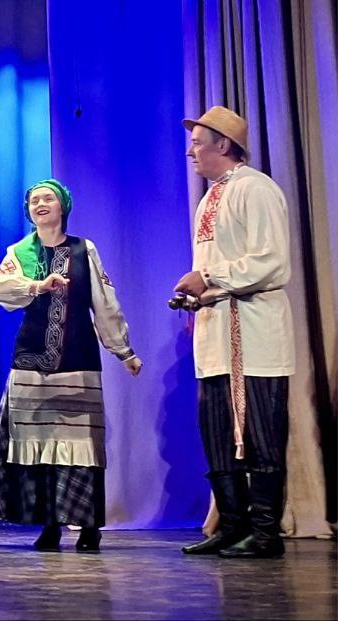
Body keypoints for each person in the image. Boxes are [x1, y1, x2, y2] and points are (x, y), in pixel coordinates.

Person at [0, 179, 141, 552]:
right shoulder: (20, 252)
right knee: (38, 446)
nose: (40, 204)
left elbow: (104, 302)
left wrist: (123, 351)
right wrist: (36, 286)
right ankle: (49, 525)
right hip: (31, 360)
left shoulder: (84, 249)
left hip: (77, 358)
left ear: (63, 206)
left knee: (83, 447)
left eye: (48, 198)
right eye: (34, 200)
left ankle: (89, 526)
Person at [175, 106, 294, 559]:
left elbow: (272, 261)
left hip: (255, 336)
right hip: (216, 335)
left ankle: (265, 534)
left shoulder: (254, 189)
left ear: (223, 145)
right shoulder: (210, 198)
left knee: (261, 436)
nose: (191, 152)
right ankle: (231, 524)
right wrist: (197, 293)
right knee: (218, 434)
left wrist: (210, 278)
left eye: (197, 143)